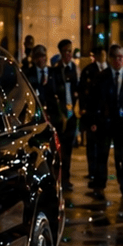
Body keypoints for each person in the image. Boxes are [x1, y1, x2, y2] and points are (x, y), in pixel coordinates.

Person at [82, 43, 123, 197]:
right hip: (105, 121)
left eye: (121, 57)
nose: (118, 60)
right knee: (102, 155)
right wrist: (92, 121)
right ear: (110, 59)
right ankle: (99, 185)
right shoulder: (101, 77)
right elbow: (93, 101)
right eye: (115, 57)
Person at [50, 39, 82, 188]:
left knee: (68, 149)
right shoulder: (57, 70)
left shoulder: (74, 69)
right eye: (65, 51)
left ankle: (66, 178)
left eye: (70, 51)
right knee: (59, 150)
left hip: (71, 114)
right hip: (60, 115)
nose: (68, 54)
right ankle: (58, 177)